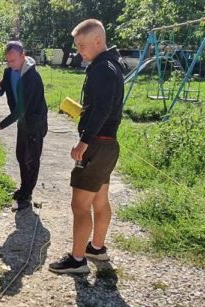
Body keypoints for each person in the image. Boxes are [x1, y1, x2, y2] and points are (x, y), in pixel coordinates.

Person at [48, 19, 125, 274]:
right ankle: (97, 248)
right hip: (109, 144)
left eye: (82, 46)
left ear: (98, 41)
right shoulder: (112, 64)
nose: (79, 51)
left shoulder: (102, 69)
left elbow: (103, 109)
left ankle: (78, 259)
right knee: (100, 199)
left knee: (80, 205)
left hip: (97, 145)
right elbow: (103, 106)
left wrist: (84, 140)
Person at [0, 40, 48, 212]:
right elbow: (0, 92)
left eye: (14, 60)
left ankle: (27, 195)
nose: (11, 64)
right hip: (22, 121)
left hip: (35, 122)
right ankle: (23, 189)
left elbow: (21, 109)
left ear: (23, 55)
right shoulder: (9, 71)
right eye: (8, 60)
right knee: (21, 155)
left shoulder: (32, 78)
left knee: (31, 158)